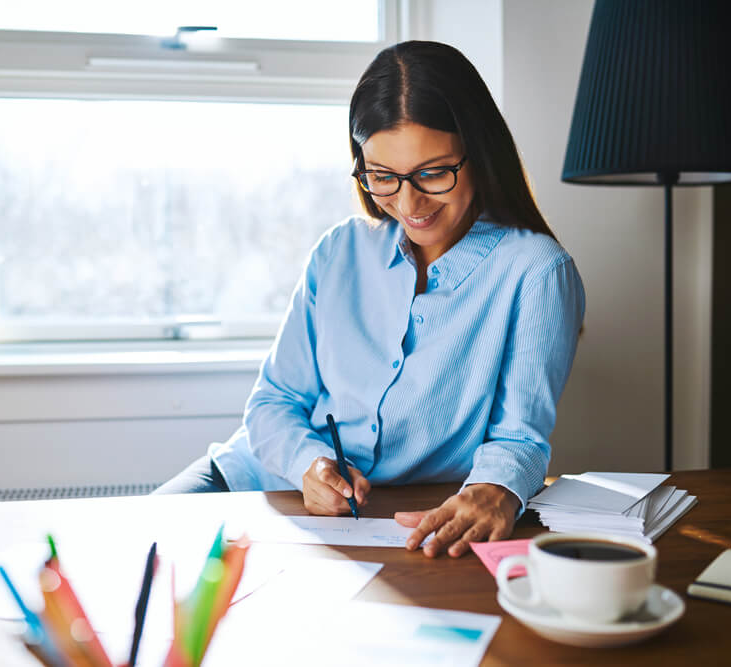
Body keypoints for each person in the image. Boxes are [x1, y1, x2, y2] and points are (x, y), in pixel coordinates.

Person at [155, 40, 585, 559]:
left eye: (432, 173)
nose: (408, 203)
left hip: (394, 520)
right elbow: (273, 404)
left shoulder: (537, 272)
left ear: (480, 154)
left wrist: (493, 492)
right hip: (252, 480)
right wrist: (309, 465)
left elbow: (519, 438)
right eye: (382, 176)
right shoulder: (339, 250)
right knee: (123, 563)